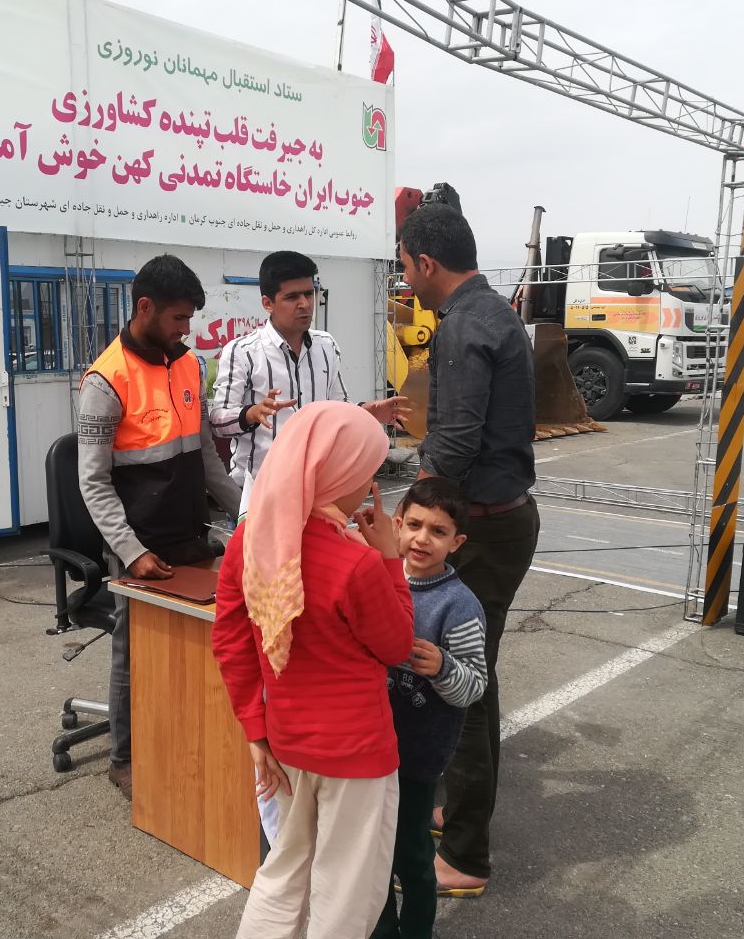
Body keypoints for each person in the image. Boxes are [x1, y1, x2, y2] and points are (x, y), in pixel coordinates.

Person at [211, 400, 414, 939]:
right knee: (344, 893)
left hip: (285, 740)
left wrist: (256, 733)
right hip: (356, 751)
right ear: (339, 475)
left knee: (283, 873)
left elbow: (231, 644)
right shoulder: (359, 563)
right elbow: (396, 646)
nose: (370, 482)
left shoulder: (248, 544)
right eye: (367, 471)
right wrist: (391, 558)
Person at [398, 204, 541, 896]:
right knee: (472, 672)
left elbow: (452, 445)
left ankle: (466, 855)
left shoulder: (462, 327)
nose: (405, 280)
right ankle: (454, 809)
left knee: (466, 686)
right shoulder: (496, 312)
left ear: (427, 264)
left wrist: (403, 501)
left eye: (404, 265)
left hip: (485, 525)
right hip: (500, 514)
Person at [78, 254, 241, 800]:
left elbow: (207, 460)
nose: (185, 330)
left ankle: (187, 741)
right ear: (144, 307)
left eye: (190, 320)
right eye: (177, 318)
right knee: (135, 653)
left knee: (210, 641)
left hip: (190, 534)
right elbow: (94, 483)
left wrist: (246, 514)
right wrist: (130, 552)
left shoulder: (188, 364)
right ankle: (124, 759)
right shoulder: (105, 381)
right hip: (140, 551)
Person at [372, 477, 487, 939]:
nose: (422, 539)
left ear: (456, 543)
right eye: (414, 525)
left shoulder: (458, 606)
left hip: (418, 758)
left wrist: (441, 667)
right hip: (370, 747)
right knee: (371, 854)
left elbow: (475, 686)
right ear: (397, 524)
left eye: (438, 532)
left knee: (411, 857)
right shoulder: (379, 577)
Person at [210, 250, 409, 496]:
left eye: (308, 293)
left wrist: (367, 411)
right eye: (292, 297)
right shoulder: (242, 352)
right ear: (267, 303)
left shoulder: (326, 345)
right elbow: (218, 420)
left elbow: (338, 408)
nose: (304, 304)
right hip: (260, 490)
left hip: (317, 487)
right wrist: (250, 414)